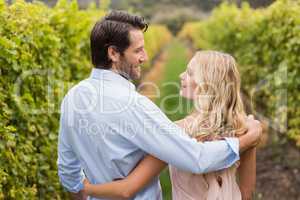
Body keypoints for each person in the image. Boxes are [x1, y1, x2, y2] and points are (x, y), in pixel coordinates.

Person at [57, 10, 262, 200]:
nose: (145, 57)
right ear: (113, 53)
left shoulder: (72, 98)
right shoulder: (135, 106)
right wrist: (246, 140)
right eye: (138, 50)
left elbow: (67, 172)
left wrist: (85, 191)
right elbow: (196, 158)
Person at [81, 51, 257, 200]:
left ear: (206, 82)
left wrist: (86, 188)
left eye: (189, 72)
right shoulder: (246, 128)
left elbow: (128, 188)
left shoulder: (178, 132)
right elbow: (246, 193)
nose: (182, 75)